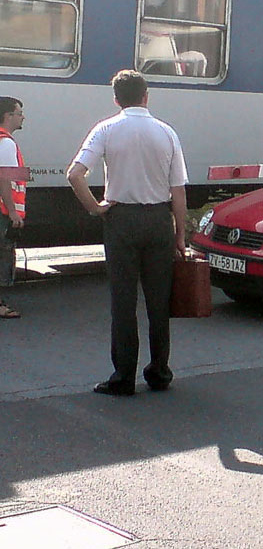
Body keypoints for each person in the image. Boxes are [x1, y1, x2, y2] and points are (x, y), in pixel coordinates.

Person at [67, 70, 188, 396]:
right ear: (146, 96)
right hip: (158, 221)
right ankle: (159, 372)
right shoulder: (167, 132)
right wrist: (180, 234)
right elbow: (178, 191)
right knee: (158, 302)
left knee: (123, 302)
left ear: (116, 99)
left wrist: (96, 208)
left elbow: (75, 174)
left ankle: (123, 377)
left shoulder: (106, 129)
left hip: (121, 220)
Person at [0, 97, 26, 319]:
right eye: (19, 113)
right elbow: (5, 179)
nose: (22, 117)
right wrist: (13, 211)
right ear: (8, 116)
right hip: (2, 210)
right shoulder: (6, 143)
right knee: (3, 255)